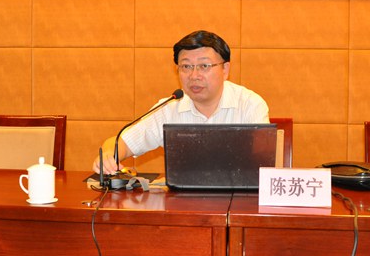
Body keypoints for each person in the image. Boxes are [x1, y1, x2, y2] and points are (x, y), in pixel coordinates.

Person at [92, 30, 270, 174]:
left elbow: (264, 163)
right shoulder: (169, 107)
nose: (194, 75)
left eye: (204, 66)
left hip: (236, 201)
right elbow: (121, 142)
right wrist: (108, 155)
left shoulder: (250, 105)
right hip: (182, 203)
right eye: (186, 66)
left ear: (225, 69)